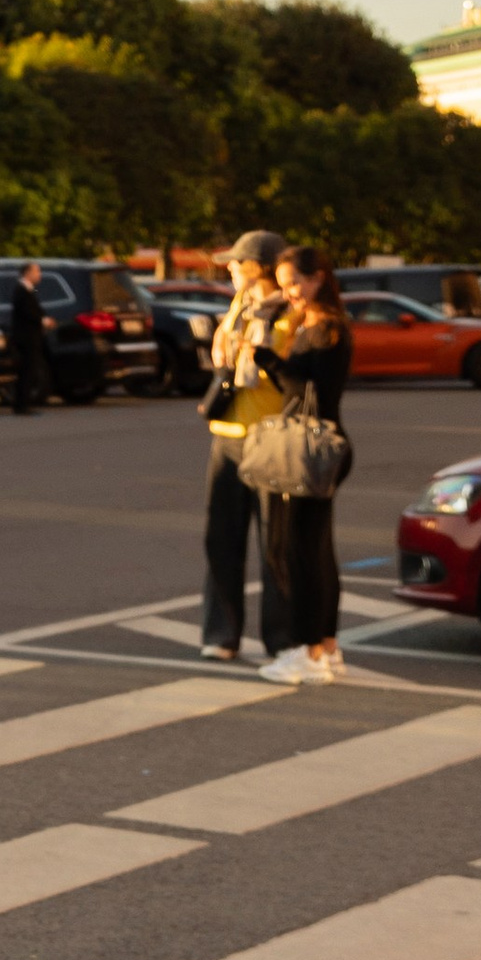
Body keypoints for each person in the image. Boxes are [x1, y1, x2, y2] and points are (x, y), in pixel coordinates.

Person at [251, 245, 352, 685]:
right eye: (284, 283)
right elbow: (299, 389)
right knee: (317, 549)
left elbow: (315, 391)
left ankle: (308, 653)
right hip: (319, 445)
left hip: (310, 449)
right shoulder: (314, 324)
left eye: (295, 282)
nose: (289, 291)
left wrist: (268, 358)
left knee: (298, 551)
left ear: (318, 279)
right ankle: (326, 647)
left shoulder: (326, 328)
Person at [199, 230, 291, 662]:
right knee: (221, 539)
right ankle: (222, 634)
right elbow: (225, 356)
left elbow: (293, 374)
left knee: (275, 545)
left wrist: (259, 353)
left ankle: (282, 639)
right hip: (228, 434)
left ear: (257, 266)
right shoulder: (240, 305)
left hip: (271, 437)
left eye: (237, 262)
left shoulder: (289, 311)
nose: (231, 269)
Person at [9, 260, 51, 414]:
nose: (39, 275)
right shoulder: (21, 290)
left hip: (32, 337)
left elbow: (35, 308)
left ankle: (23, 403)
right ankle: (21, 405)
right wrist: (43, 320)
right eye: (37, 271)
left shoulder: (30, 290)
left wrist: (44, 319)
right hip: (25, 338)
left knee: (29, 370)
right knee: (26, 370)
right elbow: (27, 312)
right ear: (27, 273)